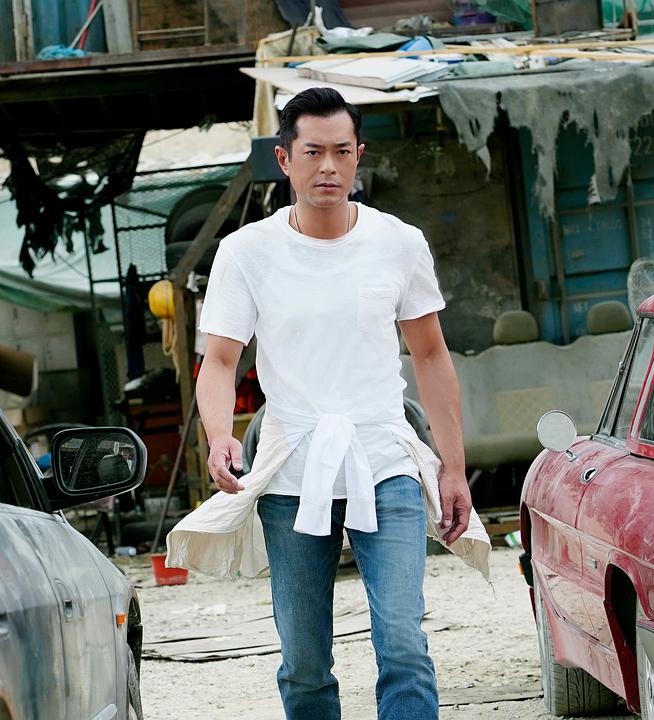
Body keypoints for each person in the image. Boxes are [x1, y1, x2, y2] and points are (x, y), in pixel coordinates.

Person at [166, 87, 489, 720]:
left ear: (359, 155)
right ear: (284, 159)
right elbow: (221, 361)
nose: (329, 168)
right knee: (304, 659)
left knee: (403, 641)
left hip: (385, 459)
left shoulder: (398, 242)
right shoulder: (246, 252)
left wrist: (453, 467)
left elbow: (430, 355)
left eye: (342, 152)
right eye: (313, 152)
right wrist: (220, 434)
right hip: (292, 467)